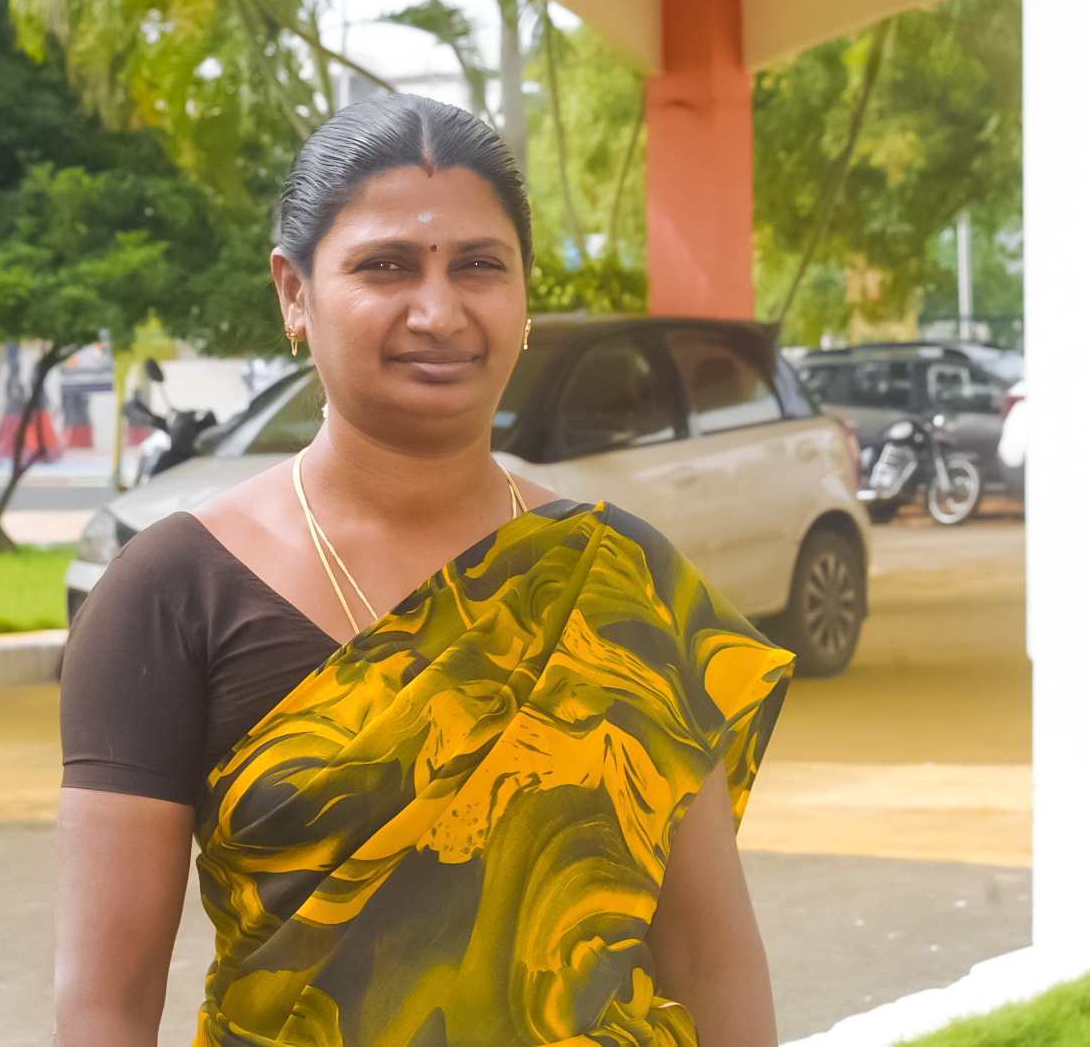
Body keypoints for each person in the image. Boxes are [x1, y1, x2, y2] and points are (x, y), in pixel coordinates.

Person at [55, 94, 792, 1047]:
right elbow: (106, 1006)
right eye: (386, 265)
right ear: (293, 292)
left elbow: (711, 956)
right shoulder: (171, 594)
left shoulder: (621, 577)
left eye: (480, 265)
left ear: (523, 296)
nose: (439, 311)